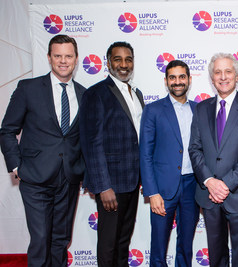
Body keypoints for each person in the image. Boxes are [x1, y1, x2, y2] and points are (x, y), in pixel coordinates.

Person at [0, 34, 85, 266]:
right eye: (58, 56)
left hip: (68, 178)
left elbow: (83, 139)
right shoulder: (28, 88)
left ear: (76, 59)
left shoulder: (84, 94)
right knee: (40, 238)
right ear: (49, 58)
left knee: (60, 239)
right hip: (35, 177)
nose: (63, 61)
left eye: (68, 56)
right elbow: (7, 130)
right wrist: (17, 166)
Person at [189, 53, 238, 267]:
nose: (223, 77)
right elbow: (194, 149)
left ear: (237, 76)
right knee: (216, 257)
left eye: (228, 71)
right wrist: (210, 182)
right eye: (218, 72)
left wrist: (226, 184)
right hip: (209, 196)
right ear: (212, 78)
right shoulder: (201, 108)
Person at [79, 41, 144, 267]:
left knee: (123, 240)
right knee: (108, 243)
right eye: (118, 59)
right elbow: (91, 143)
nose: (124, 64)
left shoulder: (137, 93)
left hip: (132, 180)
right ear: (108, 62)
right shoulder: (96, 93)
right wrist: (103, 186)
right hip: (111, 184)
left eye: (128, 59)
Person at [140, 60, 199, 267]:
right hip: (162, 189)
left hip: (192, 186)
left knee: (186, 245)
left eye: (182, 77)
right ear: (166, 81)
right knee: (158, 246)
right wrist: (152, 192)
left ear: (189, 80)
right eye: (172, 78)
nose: (177, 82)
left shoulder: (198, 109)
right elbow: (145, 154)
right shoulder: (153, 110)